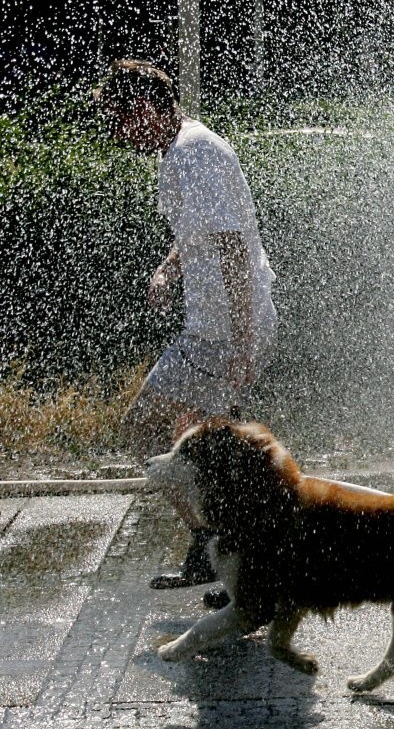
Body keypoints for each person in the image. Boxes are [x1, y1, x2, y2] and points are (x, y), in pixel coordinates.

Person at [94, 59, 277, 592]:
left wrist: (242, 342)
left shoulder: (196, 152)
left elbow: (232, 250)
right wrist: (168, 268)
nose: (119, 135)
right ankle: (228, 549)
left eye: (120, 120)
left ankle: (228, 549)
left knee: (146, 429)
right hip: (212, 328)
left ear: (146, 107)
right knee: (201, 440)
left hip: (223, 333)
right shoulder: (180, 151)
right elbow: (201, 229)